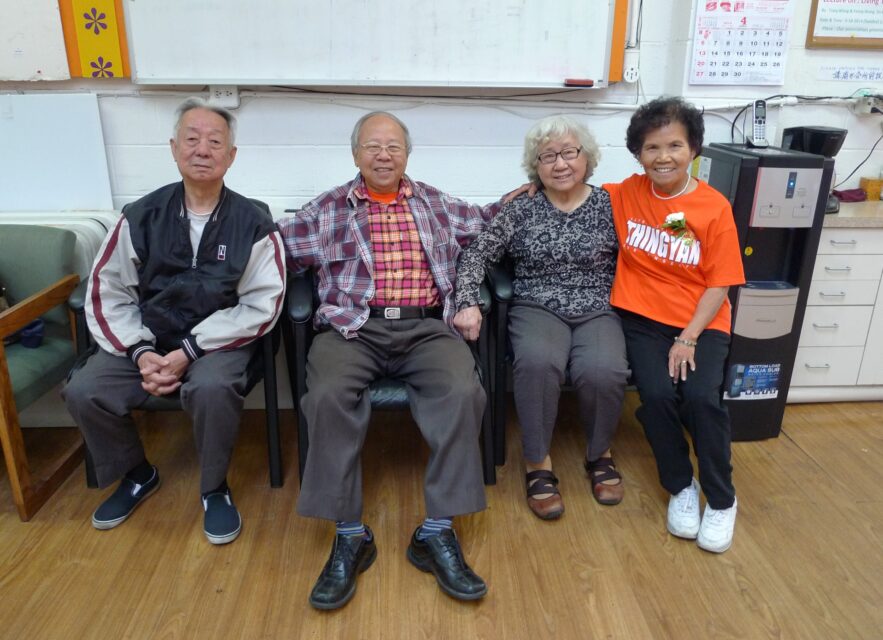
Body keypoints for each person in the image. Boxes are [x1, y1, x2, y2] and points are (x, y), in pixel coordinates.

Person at [277, 111, 515, 610]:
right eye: (372, 146)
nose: (383, 155)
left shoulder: (435, 202)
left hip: (425, 326)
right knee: (326, 396)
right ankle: (350, 535)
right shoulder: (327, 209)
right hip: (352, 329)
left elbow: (487, 220)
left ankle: (436, 532)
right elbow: (275, 248)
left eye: (393, 147)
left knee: (463, 391)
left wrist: (525, 195)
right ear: (355, 154)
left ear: (407, 154)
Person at [63, 97, 285, 546]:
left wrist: (189, 350)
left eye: (215, 142)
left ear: (231, 156)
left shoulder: (254, 223)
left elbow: (263, 303)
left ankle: (214, 488)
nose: (202, 150)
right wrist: (141, 351)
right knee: (84, 390)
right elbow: (108, 290)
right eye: (192, 139)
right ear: (173, 148)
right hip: (147, 336)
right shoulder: (140, 216)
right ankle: (136, 473)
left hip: (216, 343)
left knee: (212, 388)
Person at [455, 116, 630, 520]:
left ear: (587, 157)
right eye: (547, 156)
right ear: (536, 166)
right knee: (537, 363)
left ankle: (600, 453)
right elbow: (476, 254)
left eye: (569, 152)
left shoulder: (612, 205)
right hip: (537, 304)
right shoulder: (521, 207)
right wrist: (466, 301)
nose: (560, 164)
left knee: (603, 369)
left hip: (598, 305)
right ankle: (537, 462)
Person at [603, 96, 745, 553]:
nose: (663, 157)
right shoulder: (625, 193)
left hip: (701, 321)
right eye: (652, 147)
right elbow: (569, 188)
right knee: (658, 396)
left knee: (702, 399)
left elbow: (720, 283)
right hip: (643, 319)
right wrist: (528, 187)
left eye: (674, 145)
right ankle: (681, 485)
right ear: (638, 154)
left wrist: (688, 338)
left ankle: (721, 499)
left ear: (693, 149)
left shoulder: (713, 207)